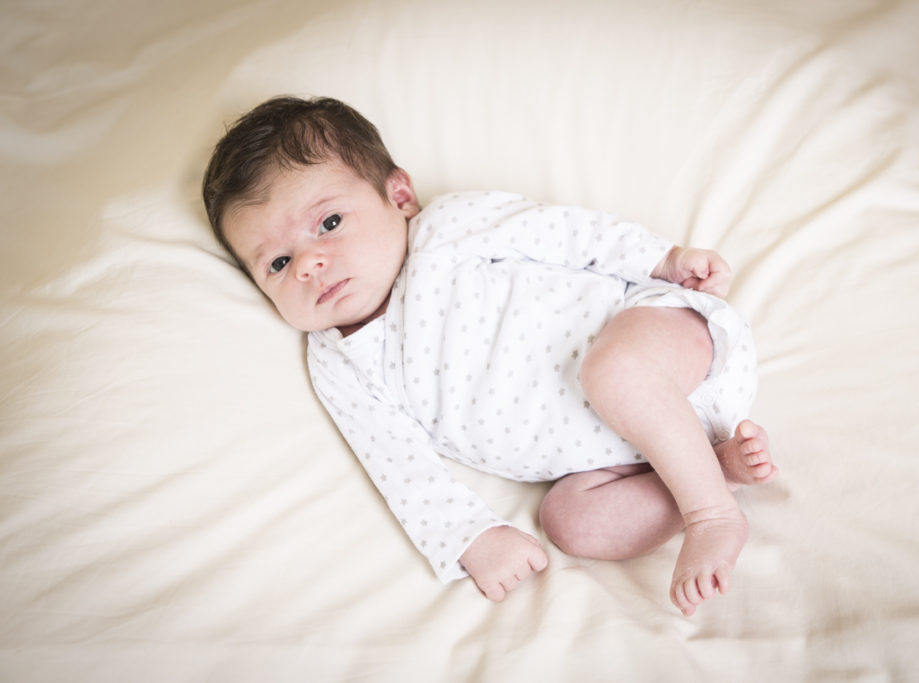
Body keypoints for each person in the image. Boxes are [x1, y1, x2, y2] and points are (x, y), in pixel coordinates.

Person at [202, 96, 778, 617]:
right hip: (614, 458)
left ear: (399, 197)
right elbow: (397, 465)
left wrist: (660, 260)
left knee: (612, 371)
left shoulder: (447, 230)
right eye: (277, 263)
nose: (308, 264)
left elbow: (567, 233)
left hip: (662, 338)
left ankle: (712, 515)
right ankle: (713, 469)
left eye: (329, 223)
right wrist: (470, 537)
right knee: (571, 523)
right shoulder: (339, 362)